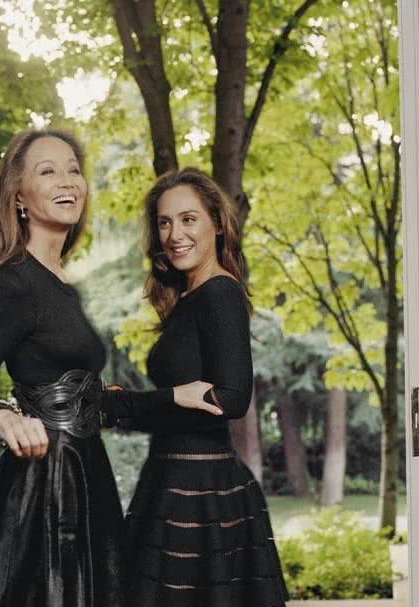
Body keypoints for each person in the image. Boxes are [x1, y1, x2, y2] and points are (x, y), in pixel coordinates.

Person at [0, 129, 216, 607]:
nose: (67, 180)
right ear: (18, 196)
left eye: (73, 169)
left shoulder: (65, 288)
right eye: (47, 171)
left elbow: (91, 404)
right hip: (40, 491)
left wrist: (173, 397)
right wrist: (2, 416)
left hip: (87, 477)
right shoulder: (13, 282)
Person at [106, 168, 288, 606]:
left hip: (201, 490)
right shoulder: (187, 298)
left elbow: (232, 398)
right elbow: (179, 403)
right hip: (170, 481)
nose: (174, 234)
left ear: (217, 224)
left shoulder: (220, 292)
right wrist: (129, 405)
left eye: (188, 219)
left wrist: (134, 403)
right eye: (165, 223)